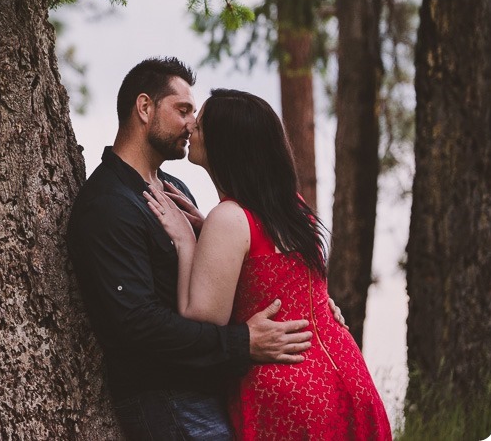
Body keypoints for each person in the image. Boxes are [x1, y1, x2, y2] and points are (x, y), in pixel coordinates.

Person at [67, 58, 317, 440]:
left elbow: (219, 281)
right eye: (182, 110)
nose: (191, 124)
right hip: (167, 398)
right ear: (145, 107)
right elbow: (138, 324)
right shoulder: (108, 203)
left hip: (210, 391)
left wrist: (311, 298)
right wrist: (241, 343)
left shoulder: (175, 190)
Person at [144, 89, 392, 440]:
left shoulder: (229, 219)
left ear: (224, 143)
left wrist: (186, 242)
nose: (189, 129)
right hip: (347, 379)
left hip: (291, 395)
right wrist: (209, 235)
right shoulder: (292, 207)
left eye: (198, 126)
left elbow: (202, 320)